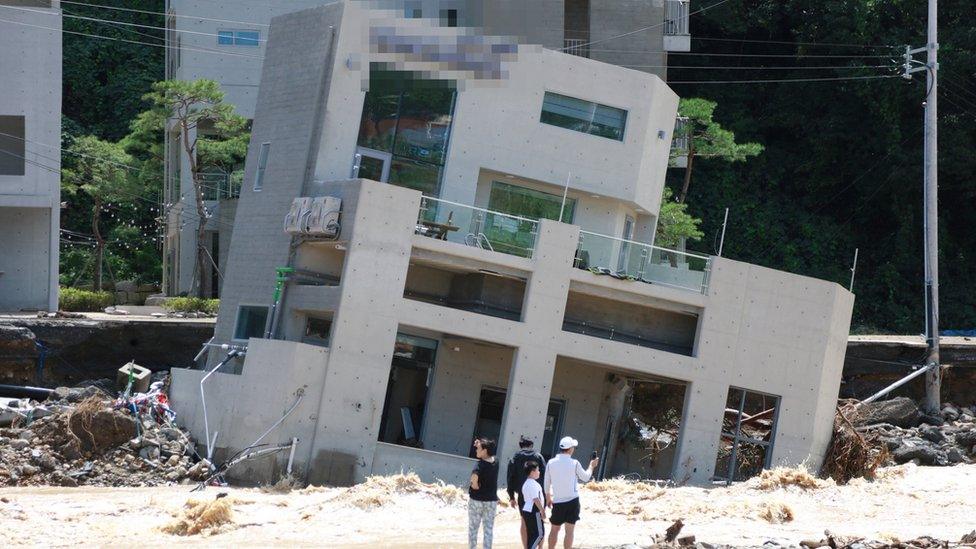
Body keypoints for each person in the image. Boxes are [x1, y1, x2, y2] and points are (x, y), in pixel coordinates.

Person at [544, 436, 598, 549]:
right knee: (569, 531)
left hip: (557, 501)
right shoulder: (575, 463)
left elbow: (546, 483)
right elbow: (586, 477)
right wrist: (591, 466)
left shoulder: (551, 462)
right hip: (572, 501)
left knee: (554, 530)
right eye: (573, 447)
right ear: (570, 449)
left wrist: (548, 498)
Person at [507, 435, 547, 547]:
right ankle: (539, 547)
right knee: (540, 526)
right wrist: (547, 495)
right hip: (538, 496)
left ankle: (527, 547)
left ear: (520, 446)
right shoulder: (538, 457)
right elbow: (545, 477)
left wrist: (511, 497)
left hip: (523, 497)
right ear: (531, 445)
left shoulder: (515, 457)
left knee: (524, 522)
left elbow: (510, 478)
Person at [468, 437, 499, 549]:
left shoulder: (479, 465)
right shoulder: (496, 462)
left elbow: (474, 480)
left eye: (478, 448)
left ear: (485, 450)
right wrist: (479, 443)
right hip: (491, 501)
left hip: (477, 500)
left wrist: (474, 486)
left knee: (473, 529)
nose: (476, 450)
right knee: (488, 530)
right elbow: (489, 446)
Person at [520, 461, 546, 549]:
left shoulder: (526, 483)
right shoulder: (533, 484)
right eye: (538, 470)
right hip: (534, 510)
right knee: (539, 534)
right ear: (532, 472)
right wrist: (542, 511)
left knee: (532, 534)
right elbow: (536, 499)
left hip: (527, 510)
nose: (539, 472)